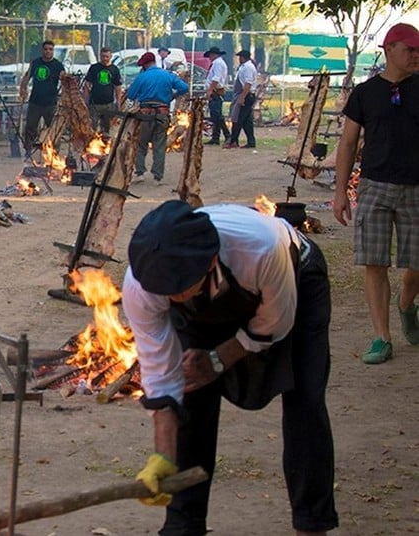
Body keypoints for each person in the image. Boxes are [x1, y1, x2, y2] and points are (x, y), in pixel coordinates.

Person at [122, 200, 338, 536]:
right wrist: (163, 458)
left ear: (208, 262)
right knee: (191, 392)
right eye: (165, 292)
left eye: (179, 288)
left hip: (294, 280)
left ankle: (312, 523)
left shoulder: (261, 249)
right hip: (215, 295)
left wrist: (218, 359)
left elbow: (273, 325)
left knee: (305, 401)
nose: (172, 298)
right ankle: (183, 526)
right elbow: (160, 375)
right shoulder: (145, 282)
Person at [332, 22, 419, 364]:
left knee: (415, 267)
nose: (415, 55)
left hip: (416, 188)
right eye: (409, 50)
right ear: (389, 50)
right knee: (375, 262)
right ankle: (382, 337)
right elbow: (349, 143)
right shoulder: (365, 93)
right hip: (374, 187)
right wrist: (340, 191)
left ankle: (406, 303)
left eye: (418, 50)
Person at [125, 51, 189, 185]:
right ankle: (157, 177)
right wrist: (172, 95)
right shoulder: (167, 75)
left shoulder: (142, 77)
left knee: (140, 144)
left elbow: (130, 95)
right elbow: (184, 87)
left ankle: (140, 172)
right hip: (162, 113)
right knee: (159, 145)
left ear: (145, 65)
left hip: (144, 115)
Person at [19, 40, 66, 156]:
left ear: (53, 51)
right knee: (30, 127)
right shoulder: (36, 63)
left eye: (50, 49)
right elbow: (26, 77)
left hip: (51, 102)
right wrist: (23, 90)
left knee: (53, 129)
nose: (48, 52)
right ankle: (28, 150)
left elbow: (64, 82)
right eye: (46, 49)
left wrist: (64, 97)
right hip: (35, 101)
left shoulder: (58, 65)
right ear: (42, 50)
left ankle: (54, 151)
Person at [83, 47, 123, 134]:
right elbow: (87, 85)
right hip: (94, 104)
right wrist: (85, 102)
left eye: (107, 56)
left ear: (111, 56)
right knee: (92, 128)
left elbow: (118, 87)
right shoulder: (94, 68)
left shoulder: (114, 69)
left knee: (106, 130)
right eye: (103, 56)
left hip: (108, 104)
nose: (105, 59)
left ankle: (104, 145)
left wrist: (119, 102)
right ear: (100, 56)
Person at [224, 50, 257, 149]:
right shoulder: (245, 67)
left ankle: (233, 141)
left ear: (243, 57)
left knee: (237, 118)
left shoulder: (248, 67)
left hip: (246, 95)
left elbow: (248, 83)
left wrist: (242, 97)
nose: (239, 59)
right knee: (247, 121)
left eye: (240, 57)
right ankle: (251, 141)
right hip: (245, 95)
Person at [202, 46, 230, 145]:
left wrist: (210, 90)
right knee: (215, 116)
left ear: (213, 55)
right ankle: (216, 137)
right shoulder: (218, 63)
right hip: (216, 90)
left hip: (216, 91)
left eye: (210, 55)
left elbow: (216, 78)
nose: (209, 58)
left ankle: (227, 135)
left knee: (217, 115)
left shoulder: (218, 64)